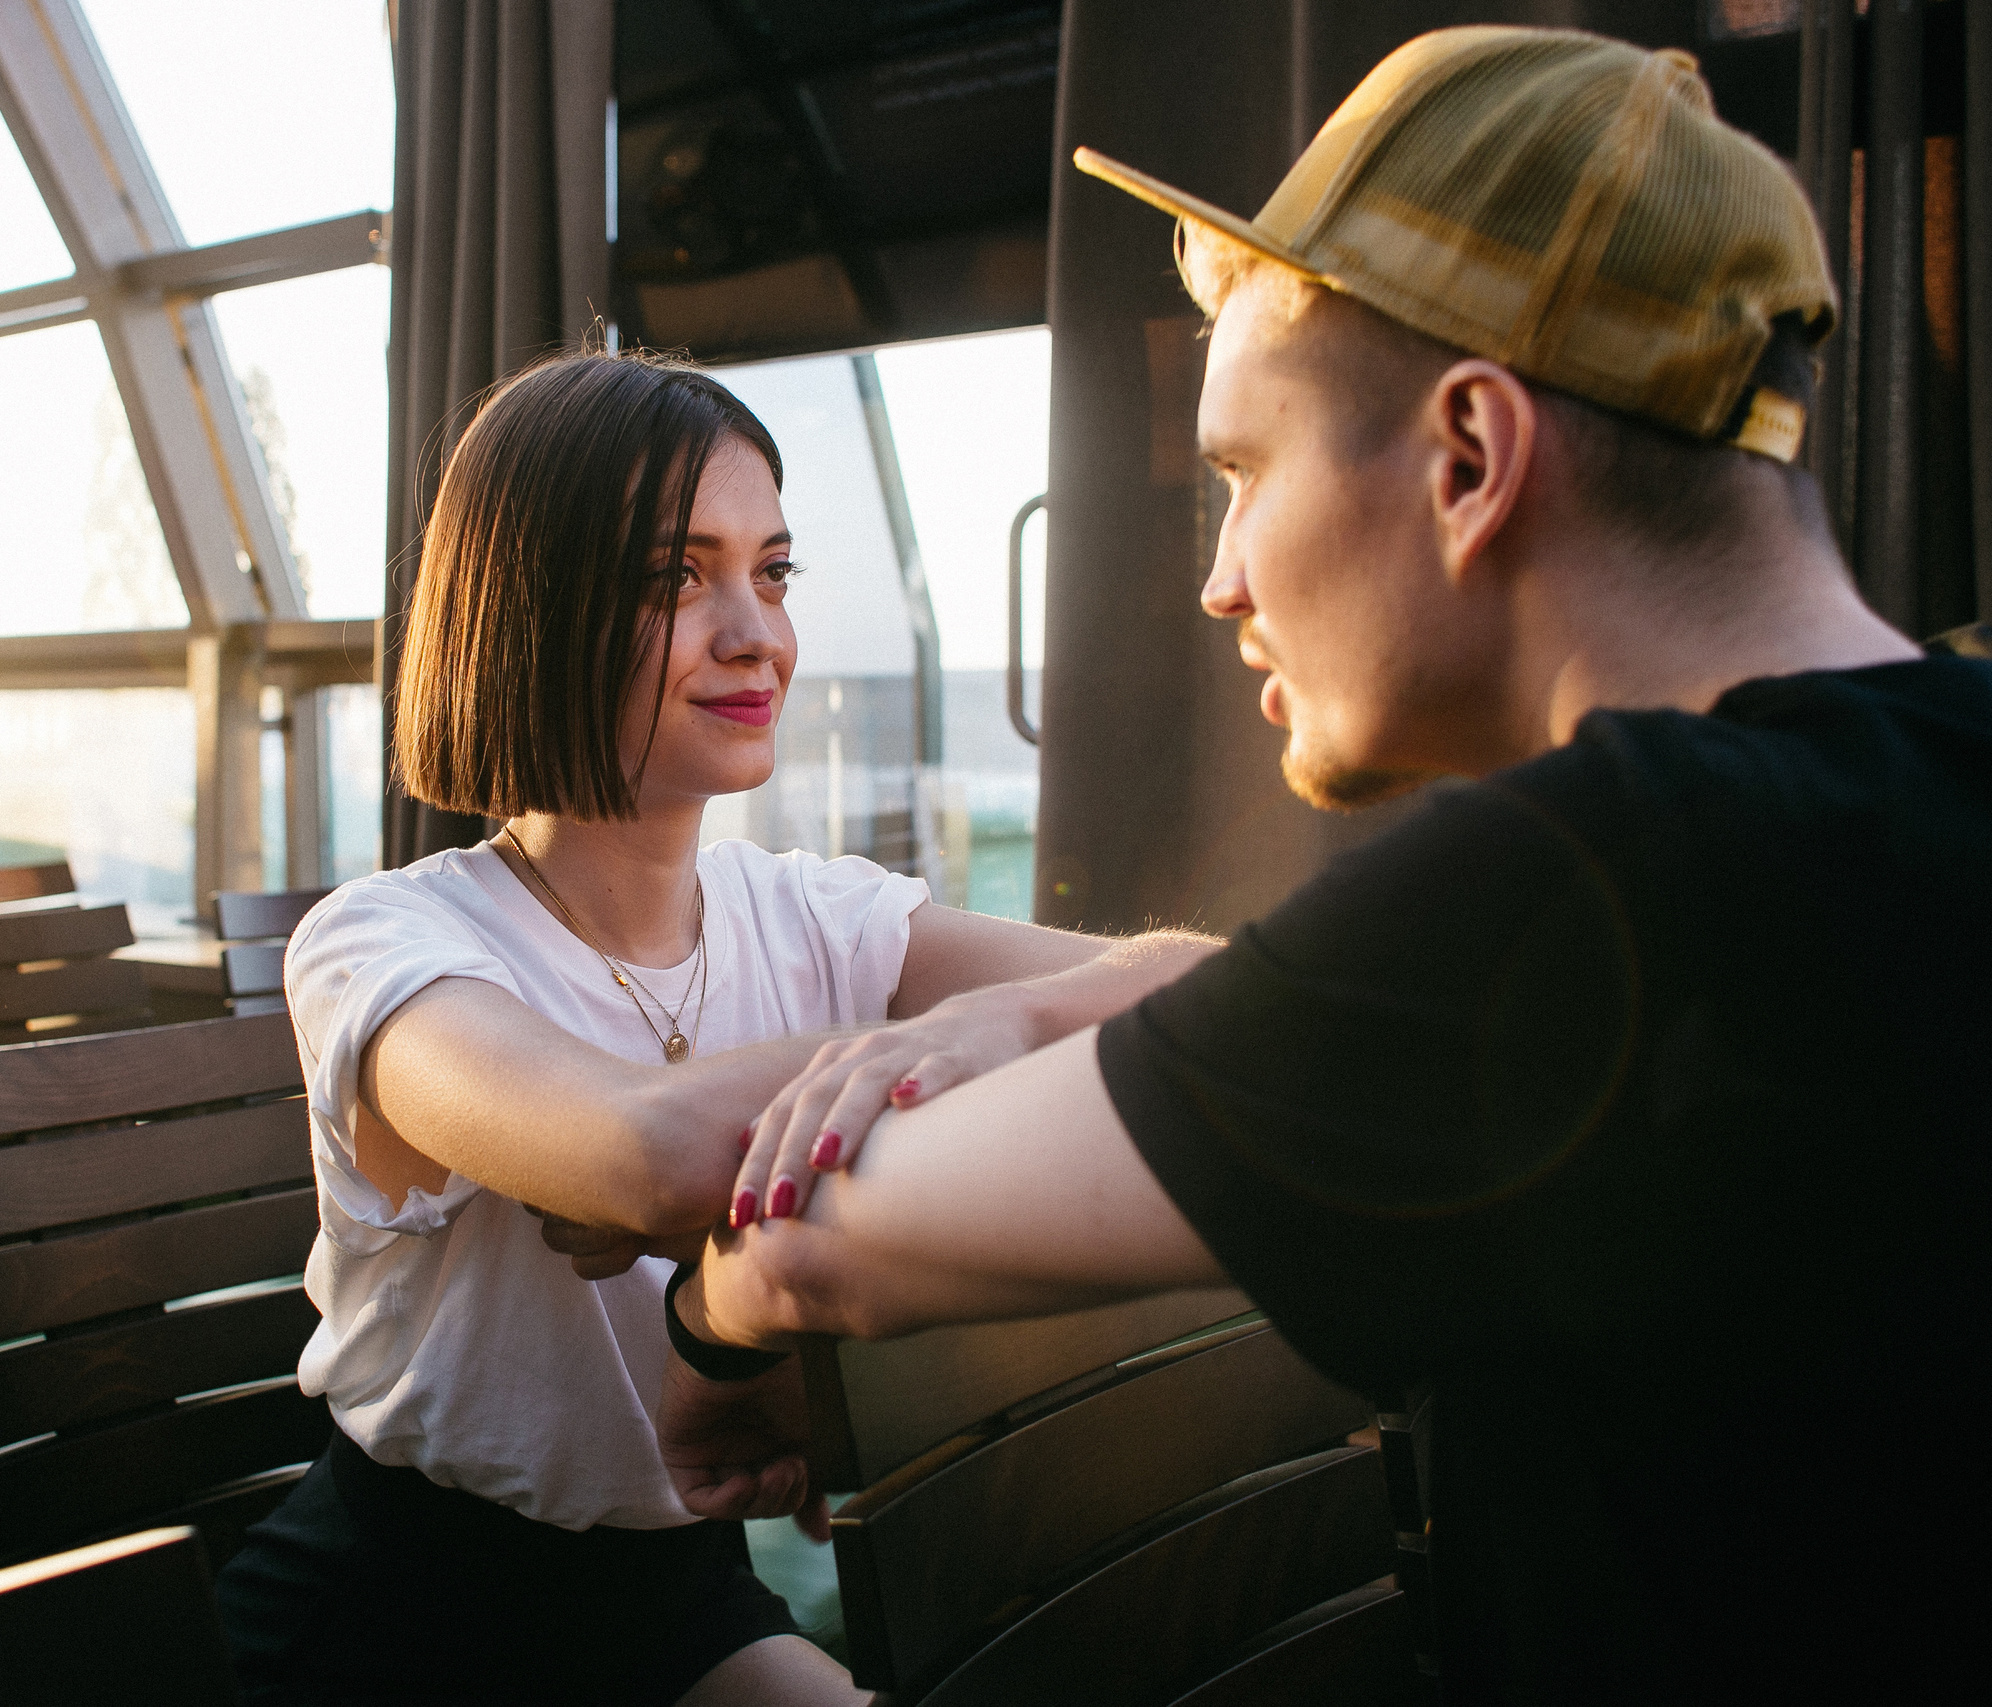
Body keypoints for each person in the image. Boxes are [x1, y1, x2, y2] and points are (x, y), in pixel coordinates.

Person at [665, 27, 1990, 1701]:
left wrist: (703, 1342)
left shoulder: (1582, 883)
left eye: (1243, 471)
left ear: (1467, 457)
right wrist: (1099, 995)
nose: (1219, 581)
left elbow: (811, 1246)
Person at [211, 349, 1201, 1707]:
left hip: (673, 1587)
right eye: (673, 577)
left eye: (773, 571)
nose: (756, 633)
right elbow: (650, 1157)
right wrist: (917, 1070)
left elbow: (1203, 985)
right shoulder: (384, 941)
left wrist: (989, 1026)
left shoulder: (818, 916)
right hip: (402, 1608)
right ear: (529, 609)